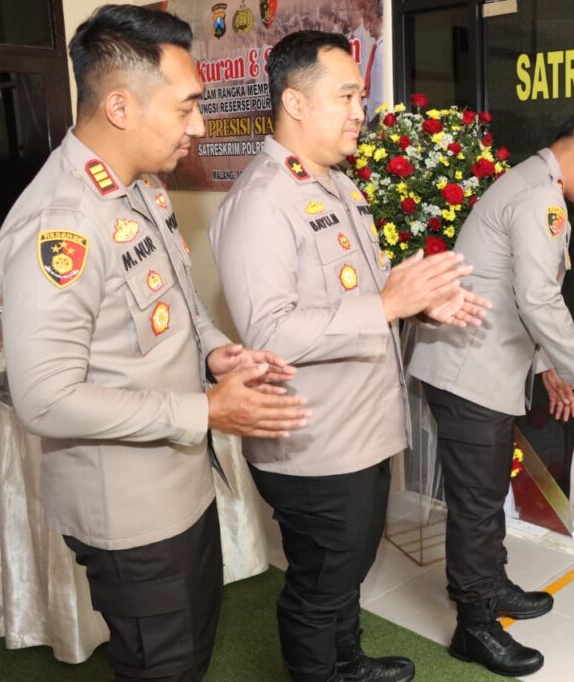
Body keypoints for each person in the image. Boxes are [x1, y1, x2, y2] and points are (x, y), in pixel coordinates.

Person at [0, 5, 311, 681]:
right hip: (130, 512)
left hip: (181, 482)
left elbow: (177, 305)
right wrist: (206, 411)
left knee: (190, 653)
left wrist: (215, 351)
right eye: (186, 105)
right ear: (120, 107)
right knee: (163, 666)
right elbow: (44, 399)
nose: (199, 125)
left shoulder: (141, 189)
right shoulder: (62, 224)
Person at [209, 30, 489, 682]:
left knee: (348, 568)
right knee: (320, 584)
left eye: (360, 97)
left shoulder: (336, 185)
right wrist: (387, 305)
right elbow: (270, 332)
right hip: (312, 443)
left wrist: (419, 305)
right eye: (346, 96)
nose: (360, 111)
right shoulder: (262, 201)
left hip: (357, 432)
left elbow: (358, 295)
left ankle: (347, 663)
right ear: (295, 102)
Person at [407, 103, 574, 677]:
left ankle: (491, 584)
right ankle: (474, 625)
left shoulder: (532, 183)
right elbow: (537, 297)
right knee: (477, 504)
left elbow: (513, 290)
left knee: (484, 492)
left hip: (478, 368)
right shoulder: (540, 199)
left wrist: (548, 365)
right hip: (470, 374)